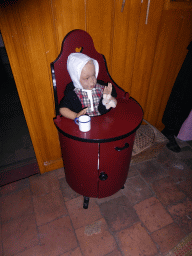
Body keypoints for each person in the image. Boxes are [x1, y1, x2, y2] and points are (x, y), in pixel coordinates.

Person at [59, 53, 117, 120]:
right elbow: (62, 109)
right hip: (85, 125)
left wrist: (110, 98)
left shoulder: (101, 88)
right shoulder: (73, 94)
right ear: (76, 78)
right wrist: (75, 116)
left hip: (102, 122)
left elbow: (113, 102)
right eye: (87, 78)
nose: (92, 81)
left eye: (94, 75)